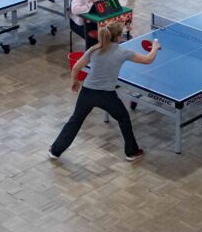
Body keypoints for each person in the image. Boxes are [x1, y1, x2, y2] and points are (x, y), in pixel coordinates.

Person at [49, 23, 158, 162]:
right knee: (123, 118)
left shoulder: (94, 49)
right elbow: (148, 59)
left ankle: (55, 151)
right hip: (107, 96)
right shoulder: (123, 52)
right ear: (118, 37)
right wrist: (155, 47)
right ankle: (131, 152)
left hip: (87, 93)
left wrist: (74, 82)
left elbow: (76, 67)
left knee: (75, 121)